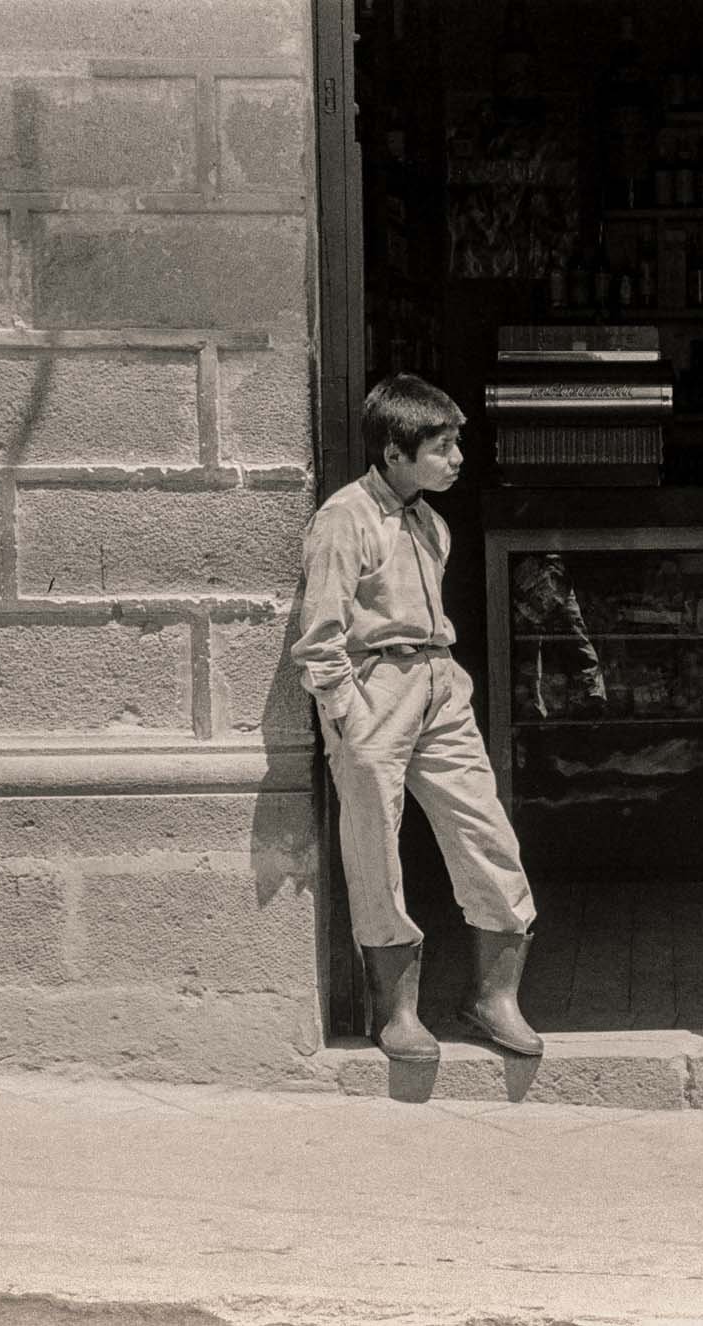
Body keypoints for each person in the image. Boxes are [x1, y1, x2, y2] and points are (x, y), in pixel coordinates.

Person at [292, 373, 543, 1064]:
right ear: (394, 453)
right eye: (441, 445)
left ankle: (494, 996)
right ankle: (394, 1010)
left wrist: (446, 683)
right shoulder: (347, 518)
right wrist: (347, 712)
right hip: (375, 688)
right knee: (376, 844)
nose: (457, 457)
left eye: (456, 441)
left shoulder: (432, 522)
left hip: (437, 685)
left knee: (485, 830)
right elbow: (320, 632)